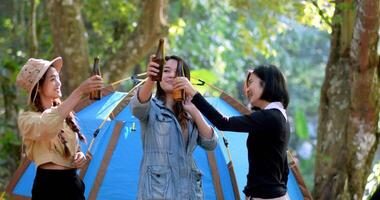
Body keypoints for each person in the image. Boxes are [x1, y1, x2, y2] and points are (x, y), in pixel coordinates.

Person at [175, 64, 290, 200]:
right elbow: (284, 168)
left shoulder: (270, 117)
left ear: (267, 83)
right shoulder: (279, 117)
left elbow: (223, 122)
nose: (247, 89)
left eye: (251, 82)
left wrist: (193, 93)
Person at [130, 55, 218, 200]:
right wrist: (150, 79)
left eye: (177, 73)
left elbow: (211, 143)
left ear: (186, 80)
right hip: (157, 193)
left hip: (190, 193)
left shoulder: (191, 111)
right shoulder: (151, 107)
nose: (171, 76)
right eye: (166, 71)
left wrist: (194, 111)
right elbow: (137, 107)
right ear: (159, 76)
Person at [16, 57, 103, 200]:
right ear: (38, 87)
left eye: (58, 78)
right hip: (49, 187)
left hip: (73, 184)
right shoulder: (27, 119)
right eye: (52, 79)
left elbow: (73, 148)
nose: (59, 83)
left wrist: (79, 156)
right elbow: (47, 126)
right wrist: (79, 91)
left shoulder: (66, 115)